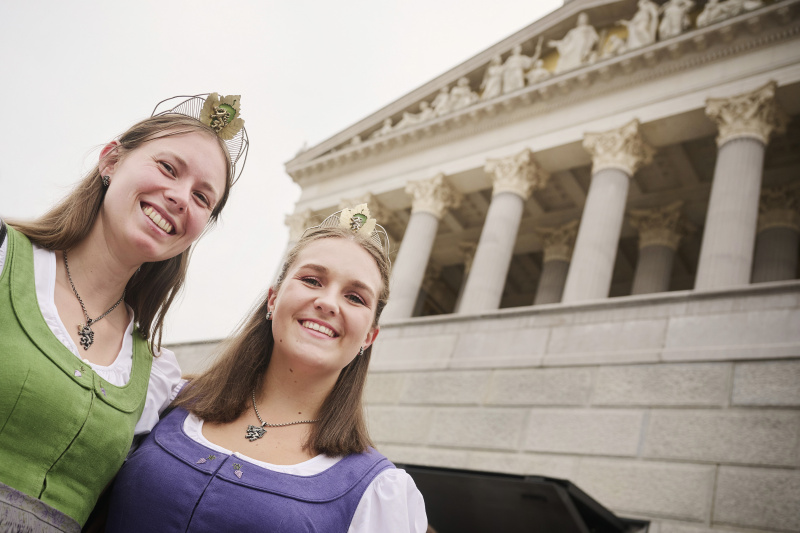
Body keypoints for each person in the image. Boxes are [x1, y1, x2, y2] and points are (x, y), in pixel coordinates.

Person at [0, 92, 248, 532]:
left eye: (202, 197)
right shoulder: (4, 258)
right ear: (111, 160)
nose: (179, 197)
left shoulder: (155, 375)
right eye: (168, 168)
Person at [105, 204, 428, 532]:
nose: (328, 303)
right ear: (273, 300)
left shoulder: (379, 492)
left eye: (355, 298)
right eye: (312, 280)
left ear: (369, 336)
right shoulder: (167, 398)